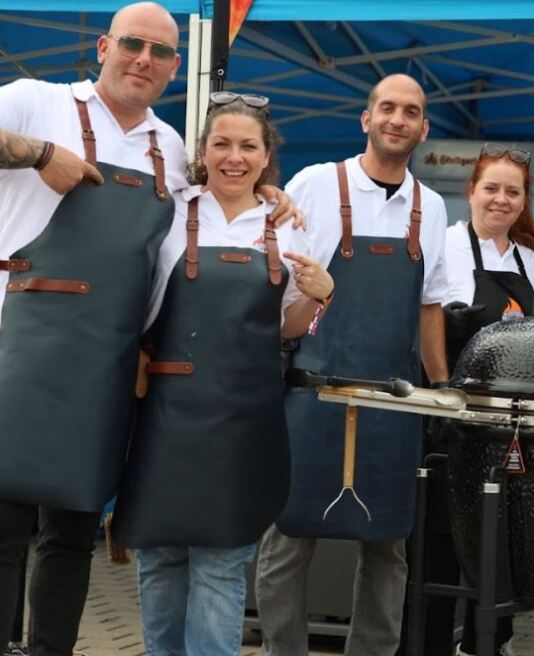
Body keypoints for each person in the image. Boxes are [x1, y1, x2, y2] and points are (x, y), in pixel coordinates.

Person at [0, 5, 294, 654]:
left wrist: (268, 195)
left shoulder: (168, 146)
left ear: (174, 68)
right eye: (132, 45)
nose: (144, 60)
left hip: (109, 363)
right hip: (22, 348)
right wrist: (40, 155)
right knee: (5, 523)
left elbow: (215, 209)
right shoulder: (35, 101)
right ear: (104, 46)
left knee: (73, 530)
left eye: (161, 52)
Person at [106, 91, 331, 656]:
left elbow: (288, 329)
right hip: (163, 411)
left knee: (221, 561)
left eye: (248, 146)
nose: (235, 156)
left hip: (244, 417)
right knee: (160, 555)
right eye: (222, 144)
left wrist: (321, 298)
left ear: (266, 155)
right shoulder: (171, 211)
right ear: (202, 151)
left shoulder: (287, 227)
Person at [255, 73, 450, 656]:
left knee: (388, 544)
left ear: (423, 128)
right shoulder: (316, 183)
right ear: (366, 119)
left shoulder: (431, 206)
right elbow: (273, 274)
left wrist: (440, 391)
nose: (397, 119)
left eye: (410, 111)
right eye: (386, 108)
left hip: (393, 400)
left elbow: (430, 305)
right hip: (312, 390)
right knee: (289, 537)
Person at [398, 142, 534, 656]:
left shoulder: (530, 260)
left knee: (500, 542)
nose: (501, 200)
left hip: (509, 426)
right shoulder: (445, 244)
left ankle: (490, 643)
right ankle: (427, 644)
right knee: (438, 541)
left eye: (513, 191)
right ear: (471, 192)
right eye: (492, 188)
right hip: (451, 420)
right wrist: (443, 389)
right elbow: (420, 321)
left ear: (524, 201)